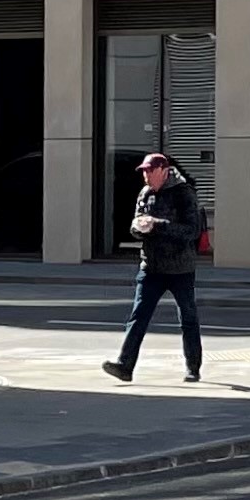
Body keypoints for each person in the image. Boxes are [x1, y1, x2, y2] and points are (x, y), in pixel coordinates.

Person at [103, 152, 205, 384]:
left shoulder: (183, 193)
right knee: (138, 317)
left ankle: (193, 367)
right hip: (151, 267)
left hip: (180, 268)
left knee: (188, 318)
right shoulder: (145, 193)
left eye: (150, 171)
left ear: (163, 171)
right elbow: (136, 223)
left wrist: (157, 225)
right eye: (144, 172)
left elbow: (191, 231)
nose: (146, 176)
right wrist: (139, 227)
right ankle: (125, 365)